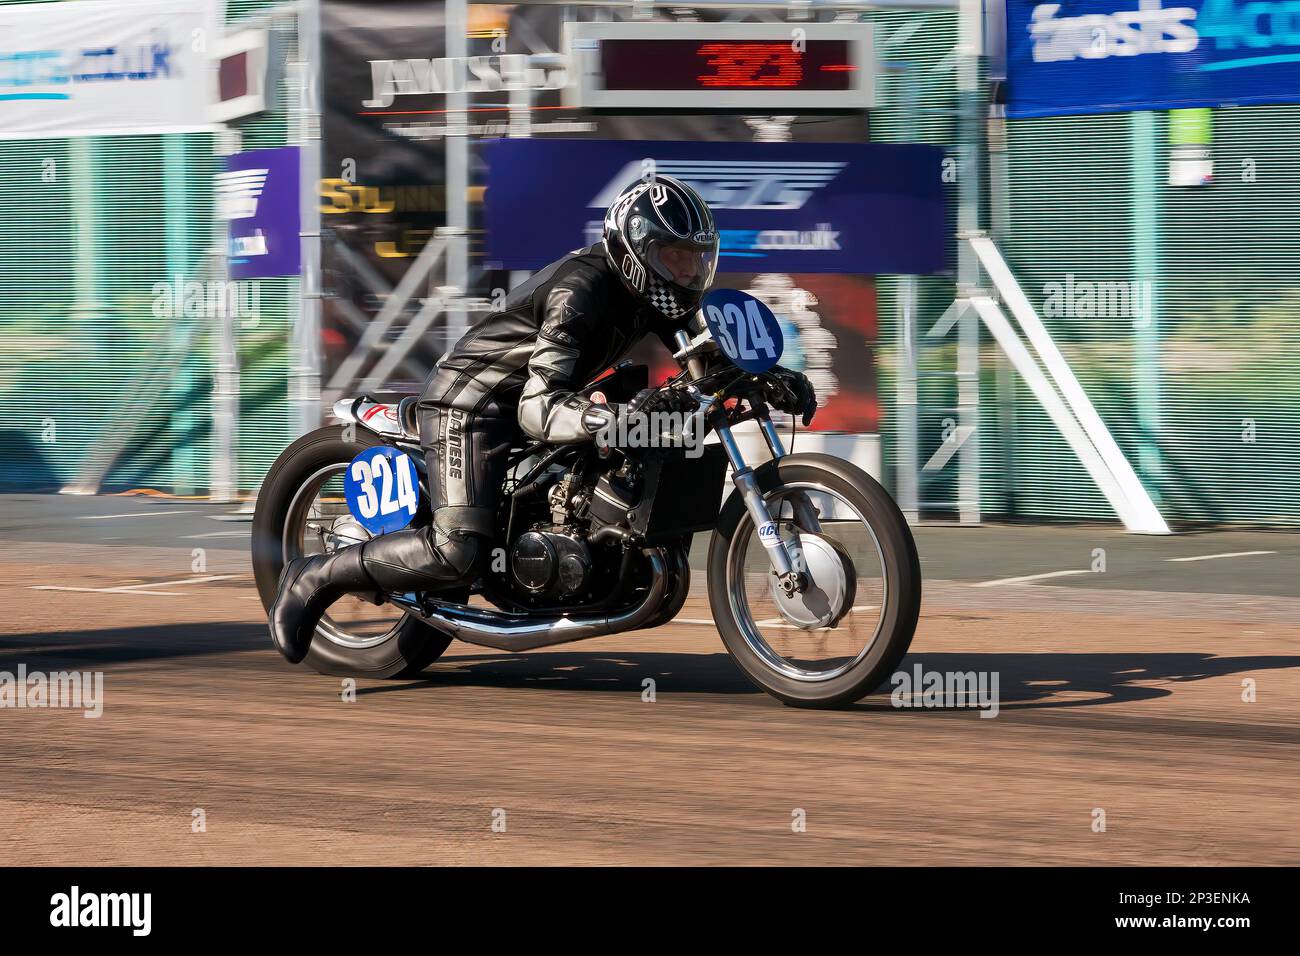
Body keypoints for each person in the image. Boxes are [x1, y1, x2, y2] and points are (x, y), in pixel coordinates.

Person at [269, 175, 817, 663]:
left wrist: (769, 377)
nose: (686, 270)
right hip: (476, 403)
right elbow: (536, 408)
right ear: (636, 250)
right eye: (673, 256)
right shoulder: (580, 291)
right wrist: (620, 418)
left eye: (695, 258)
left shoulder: (659, 294)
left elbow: (703, 368)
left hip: (539, 401)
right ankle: (313, 577)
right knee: (456, 551)